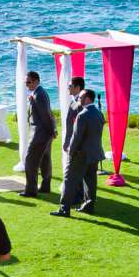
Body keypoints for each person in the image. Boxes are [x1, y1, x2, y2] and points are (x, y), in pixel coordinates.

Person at [55, 87, 105, 216]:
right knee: (90, 180)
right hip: (95, 153)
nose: (78, 99)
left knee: (69, 180)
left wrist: (70, 153)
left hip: (81, 154)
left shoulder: (82, 115)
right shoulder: (99, 113)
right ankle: (89, 205)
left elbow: (76, 138)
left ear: (88, 99)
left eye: (81, 97)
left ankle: (64, 208)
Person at [22, 69, 55, 197]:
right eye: (26, 83)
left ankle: (31, 190)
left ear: (36, 81)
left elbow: (46, 115)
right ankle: (46, 186)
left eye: (29, 82)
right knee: (45, 160)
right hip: (45, 133)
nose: (27, 85)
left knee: (30, 161)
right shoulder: (39, 93)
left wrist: (51, 131)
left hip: (40, 133)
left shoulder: (39, 94)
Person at [62, 74, 86, 151]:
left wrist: (72, 145)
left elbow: (80, 128)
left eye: (70, 86)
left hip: (77, 147)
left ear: (78, 88)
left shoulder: (81, 103)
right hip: (72, 142)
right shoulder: (74, 101)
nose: (68, 88)